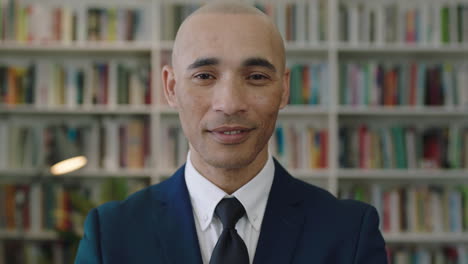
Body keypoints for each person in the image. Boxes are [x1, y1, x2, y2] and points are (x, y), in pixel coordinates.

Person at [74, 2, 388, 264]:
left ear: (284, 89)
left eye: (256, 76)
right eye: (205, 75)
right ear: (171, 88)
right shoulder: (112, 234)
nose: (230, 104)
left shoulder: (350, 234)